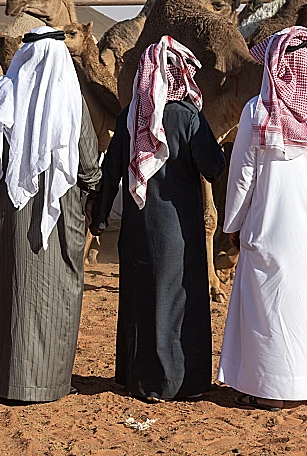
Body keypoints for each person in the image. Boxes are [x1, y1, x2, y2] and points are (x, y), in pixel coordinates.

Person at [0, 26, 101, 403]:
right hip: (54, 216)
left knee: (5, 290)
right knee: (54, 294)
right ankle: (49, 384)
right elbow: (89, 165)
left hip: (3, 216)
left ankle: (5, 381)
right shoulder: (71, 100)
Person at [90, 36, 225, 402]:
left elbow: (112, 172)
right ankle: (184, 383)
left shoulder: (129, 117)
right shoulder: (188, 117)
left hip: (138, 226)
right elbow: (213, 167)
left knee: (141, 298)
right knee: (179, 299)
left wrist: (99, 219)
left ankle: (138, 379)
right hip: (180, 229)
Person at [217, 26, 307, 411]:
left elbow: (241, 175)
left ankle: (268, 390)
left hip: (268, 227)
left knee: (268, 309)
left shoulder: (258, 111)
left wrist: (233, 225)